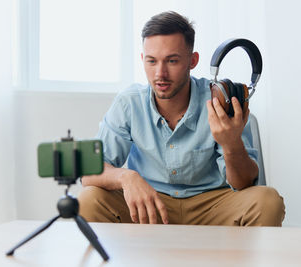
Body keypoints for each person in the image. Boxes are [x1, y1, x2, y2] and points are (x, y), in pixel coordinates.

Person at [78, 11, 285, 226]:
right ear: (142, 59)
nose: (160, 73)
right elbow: (88, 173)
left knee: (267, 200)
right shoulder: (129, 103)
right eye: (151, 61)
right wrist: (126, 177)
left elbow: (244, 183)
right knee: (88, 199)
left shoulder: (221, 101)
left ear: (192, 60)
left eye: (172, 60)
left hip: (213, 206)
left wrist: (231, 144)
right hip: (151, 204)